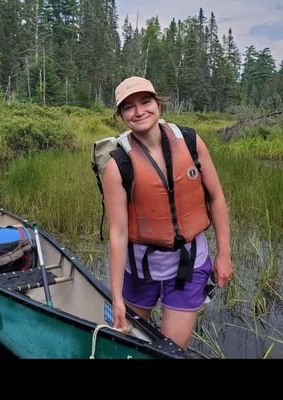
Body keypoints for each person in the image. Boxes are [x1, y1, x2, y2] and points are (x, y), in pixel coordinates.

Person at [103, 76, 232, 350]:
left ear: (158, 104)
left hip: (190, 264)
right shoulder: (117, 165)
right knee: (126, 343)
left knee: (171, 350)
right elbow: (117, 233)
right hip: (139, 268)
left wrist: (224, 255)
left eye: (145, 101)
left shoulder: (190, 141)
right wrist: (115, 296)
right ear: (121, 115)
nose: (139, 111)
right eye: (128, 107)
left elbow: (217, 198)